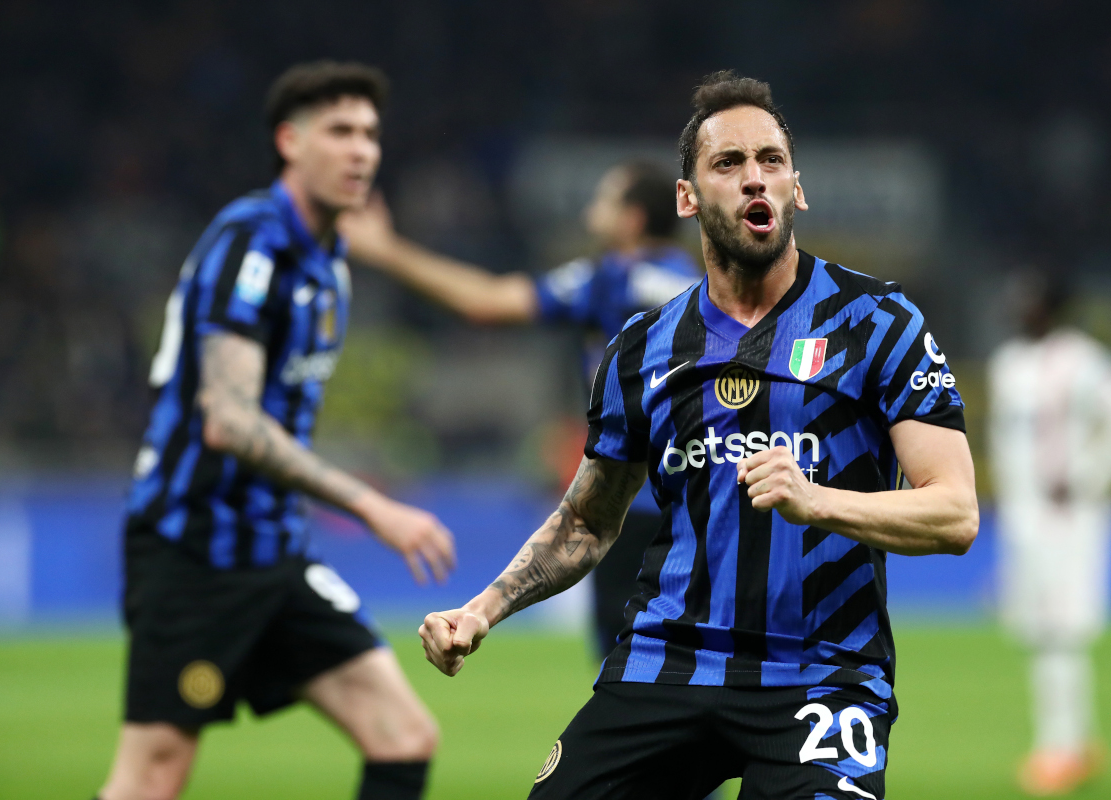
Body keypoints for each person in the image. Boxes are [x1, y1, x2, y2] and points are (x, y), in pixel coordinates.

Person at [418, 70, 979, 800]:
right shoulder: (642, 346)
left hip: (822, 671)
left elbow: (956, 512)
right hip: (668, 662)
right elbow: (588, 519)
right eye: (729, 163)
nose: (755, 179)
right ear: (687, 198)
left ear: (796, 189)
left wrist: (818, 502)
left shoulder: (879, 322)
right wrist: (481, 610)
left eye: (771, 161)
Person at [97, 62, 456, 800]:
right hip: (192, 549)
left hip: (274, 550)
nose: (362, 151)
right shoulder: (250, 243)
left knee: (404, 734)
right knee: (152, 778)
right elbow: (228, 423)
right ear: (290, 141)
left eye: (370, 135)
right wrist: (372, 505)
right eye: (340, 132)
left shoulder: (329, 261)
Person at [339, 160, 700, 659]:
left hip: (630, 507)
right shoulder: (702, 284)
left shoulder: (613, 279)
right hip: (693, 495)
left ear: (632, 219)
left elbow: (486, 301)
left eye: (604, 200)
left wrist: (386, 250)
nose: (591, 210)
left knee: (627, 677)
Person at [988, 273, 1111, 796]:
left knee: (1059, 634)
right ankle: (1075, 744)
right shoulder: (1007, 365)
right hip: (1023, 519)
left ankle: (1060, 751)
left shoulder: (1082, 359)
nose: (1021, 307)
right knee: (1038, 632)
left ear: (1054, 307)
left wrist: (1089, 473)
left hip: (1069, 519)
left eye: (1031, 299)